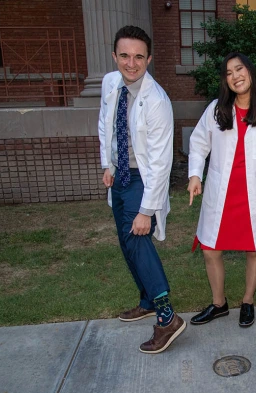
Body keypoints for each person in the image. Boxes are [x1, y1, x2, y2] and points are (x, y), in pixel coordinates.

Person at [99, 26, 185, 354]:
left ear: (149, 59)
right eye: (124, 55)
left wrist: (147, 210)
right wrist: (108, 162)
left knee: (137, 238)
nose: (131, 63)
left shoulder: (157, 101)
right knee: (126, 242)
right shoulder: (110, 83)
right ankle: (148, 300)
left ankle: (167, 318)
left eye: (138, 57)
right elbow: (105, 123)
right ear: (115, 56)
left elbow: (162, 162)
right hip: (119, 174)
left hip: (141, 179)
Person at [187, 52, 256, 328]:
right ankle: (219, 303)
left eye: (239, 69)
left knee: (255, 249)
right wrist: (195, 174)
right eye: (229, 73)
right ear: (225, 80)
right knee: (210, 249)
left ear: (251, 72)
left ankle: (247, 301)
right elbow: (198, 144)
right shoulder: (216, 110)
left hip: (253, 194)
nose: (235, 76)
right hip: (221, 193)